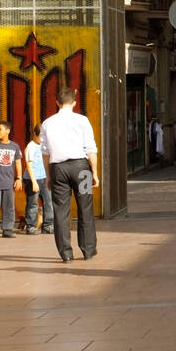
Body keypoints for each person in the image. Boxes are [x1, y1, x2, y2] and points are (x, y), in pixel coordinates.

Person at [41, 87, 100, 263]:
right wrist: (94, 173)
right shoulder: (82, 120)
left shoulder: (47, 123)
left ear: (57, 103)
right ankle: (88, 250)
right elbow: (91, 149)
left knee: (60, 212)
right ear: (74, 103)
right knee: (86, 208)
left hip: (58, 168)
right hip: (82, 168)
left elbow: (45, 153)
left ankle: (66, 253)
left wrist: (49, 175)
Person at [22, 123, 53, 236]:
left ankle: (48, 225)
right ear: (35, 134)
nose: (42, 139)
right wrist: (34, 182)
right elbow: (29, 165)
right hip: (32, 179)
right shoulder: (31, 147)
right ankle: (31, 226)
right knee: (33, 203)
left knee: (48, 201)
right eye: (40, 136)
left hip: (44, 178)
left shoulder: (45, 146)